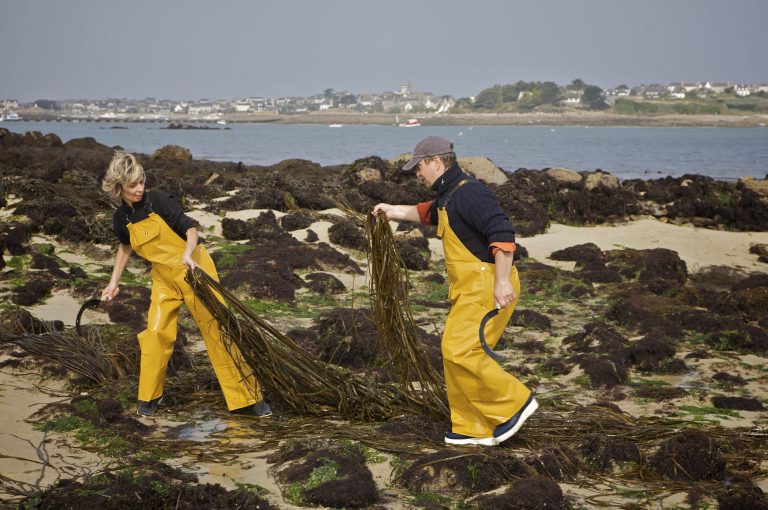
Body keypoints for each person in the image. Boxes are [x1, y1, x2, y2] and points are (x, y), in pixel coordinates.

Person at [373, 136, 537, 446]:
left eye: (419, 167)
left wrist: (502, 282)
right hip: (469, 288)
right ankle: (472, 427)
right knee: (455, 352)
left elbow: (502, 233)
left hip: (487, 285)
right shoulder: (448, 195)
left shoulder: (470, 193)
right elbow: (429, 213)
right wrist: (393, 211)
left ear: (436, 161)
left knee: (459, 350)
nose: (417, 174)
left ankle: (514, 404)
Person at [100, 151, 271, 418]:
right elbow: (124, 247)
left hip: (194, 269)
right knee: (155, 335)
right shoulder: (121, 218)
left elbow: (190, 229)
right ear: (118, 185)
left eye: (141, 182)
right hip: (164, 279)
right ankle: (148, 399)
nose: (139, 189)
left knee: (218, 331)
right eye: (133, 185)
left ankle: (250, 397)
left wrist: (188, 254)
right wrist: (113, 283)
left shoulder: (158, 201)